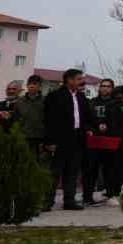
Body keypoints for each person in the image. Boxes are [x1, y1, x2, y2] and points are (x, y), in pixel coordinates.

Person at [43, 67, 90, 210]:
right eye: (79, 79)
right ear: (69, 80)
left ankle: (69, 201)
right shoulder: (55, 96)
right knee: (55, 172)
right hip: (60, 139)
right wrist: (49, 141)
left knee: (73, 171)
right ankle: (47, 202)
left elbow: (86, 117)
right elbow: (48, 120)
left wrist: (90, 129)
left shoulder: (81, 97)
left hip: (77, 139)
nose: (82, 82)